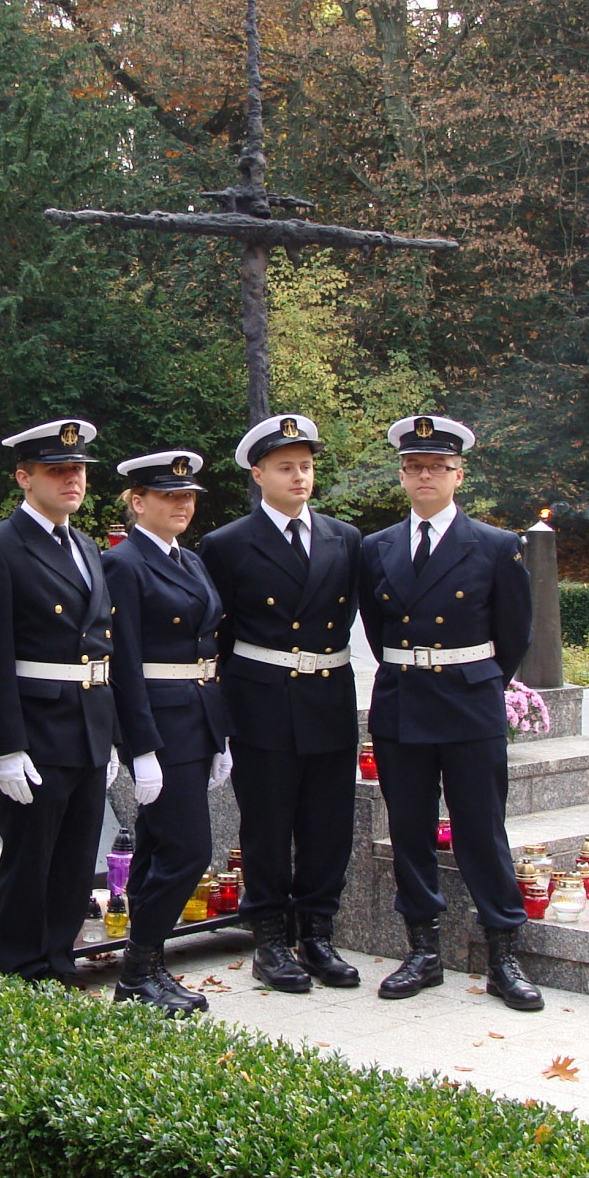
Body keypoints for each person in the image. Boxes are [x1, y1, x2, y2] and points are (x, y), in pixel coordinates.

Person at [358, 415, 540, 1011]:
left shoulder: (495, 545)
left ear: (459, 474)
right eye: (414, 466)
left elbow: (513, 636)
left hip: (468, 703)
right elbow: (378, 625)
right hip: (403, 703)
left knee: (481, 830)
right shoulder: (376, 547)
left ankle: (503, 955)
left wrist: (477, 679)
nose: (426, 475)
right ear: (402, 476)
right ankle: (423, 950)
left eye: (438, 466)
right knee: (409, 830)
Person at [198, 414, 364, 994]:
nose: (299, 477)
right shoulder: (225, 544)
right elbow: (214, 634)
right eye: (286, 467)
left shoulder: (345, 538)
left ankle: (317, 933)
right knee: (268, 825)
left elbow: (342, 621)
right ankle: (269, 938)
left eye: (307, 467)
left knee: (328, 826)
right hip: (262, 699)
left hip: (328, 696)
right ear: (258, 473)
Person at [0, 418, 118, 984]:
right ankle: (21, 967)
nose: (72, 481)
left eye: (78, 470)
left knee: (77, 861)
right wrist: (3, 745)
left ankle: (58, 959)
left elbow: (102, 647)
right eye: (57, 471)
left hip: (86, 724)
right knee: (30, 859)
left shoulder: (84, 545)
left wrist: (112, 734)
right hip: (35, 726)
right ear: (23, 478)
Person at [101, 450, 231, 1014]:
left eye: (188, 497)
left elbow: (207, 650)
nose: (182, 505)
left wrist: (219, 735)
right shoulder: (124, 564)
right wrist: (140, 748)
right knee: (188, 850)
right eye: (169, 497)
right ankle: (137, 968)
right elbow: (123, 662)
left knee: (158, 850)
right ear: (138, 502)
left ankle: (149, 968)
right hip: (160, 723)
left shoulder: (191, 560)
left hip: (197, 719)